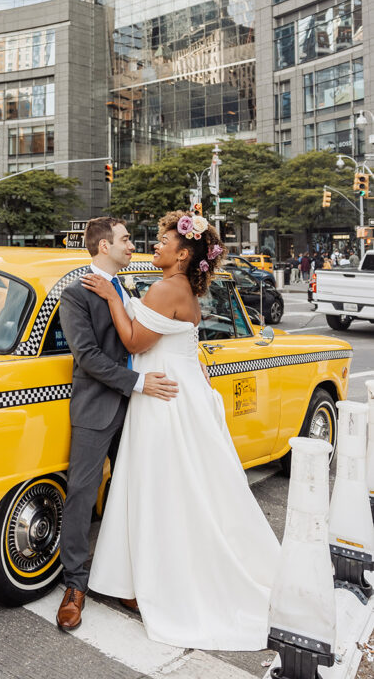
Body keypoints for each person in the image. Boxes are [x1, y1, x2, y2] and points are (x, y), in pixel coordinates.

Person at [84, 210, 280, 650]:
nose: (154, 246)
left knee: (159, 488)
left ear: (183, 253)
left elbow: (134, 341)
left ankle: (149, 581)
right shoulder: (181, 288)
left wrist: (114, 299)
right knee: (183, 490)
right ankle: (142, 578)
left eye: (161, 242)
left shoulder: (165, 288)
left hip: (164, 399)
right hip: (179, 392)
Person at [55, 217, 179, 632]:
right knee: (81, 494)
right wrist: (140, 382)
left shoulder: (126, 288)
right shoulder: (75, 294)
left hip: (136, 409)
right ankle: (75, 585)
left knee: (132, 492)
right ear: (104, 245)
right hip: (97, 407)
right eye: (126, 240)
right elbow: (87, 357)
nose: (132, 245)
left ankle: (126, 579)